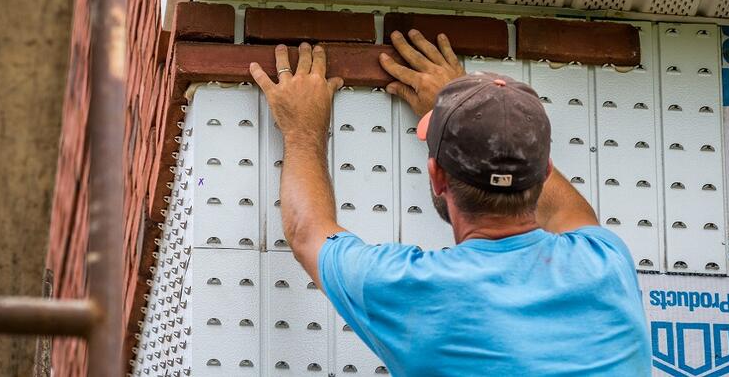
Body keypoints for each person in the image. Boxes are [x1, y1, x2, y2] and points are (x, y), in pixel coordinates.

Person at [249, 29, 651, 376]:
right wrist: (471, 115)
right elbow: (568, 212)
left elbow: (307, 232)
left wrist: (302, 129)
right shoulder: (605, 262)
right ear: (545, 173)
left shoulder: (414, 288)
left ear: (437, 176)